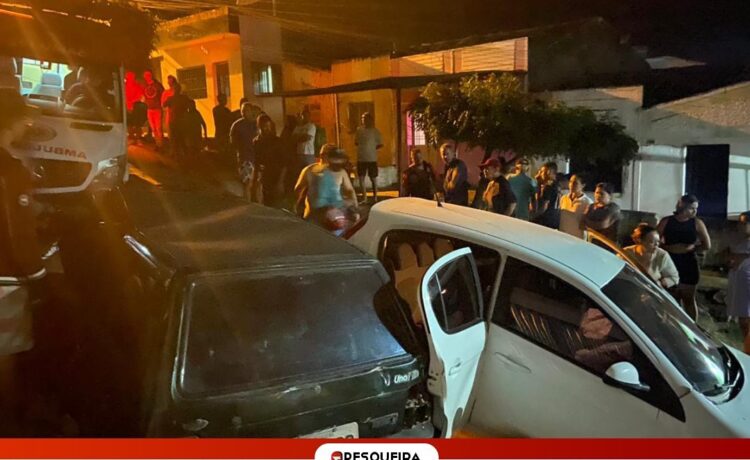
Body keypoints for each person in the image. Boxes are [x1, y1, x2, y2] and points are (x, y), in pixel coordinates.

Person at [0, 90, 44, 429]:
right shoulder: (11, 171)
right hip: (5, 280)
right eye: (22, 120)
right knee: (5, 357)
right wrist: (37, 272)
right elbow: (19, 234)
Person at [657, 194, 712, 321]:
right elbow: (655, 240)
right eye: (692, 208)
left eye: (696, 208)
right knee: (671, 298)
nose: (695, 211)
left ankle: (693, 326)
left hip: (688, 263)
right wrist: (668, 248)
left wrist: (691, 248)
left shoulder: (697, 223)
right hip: (670, 262)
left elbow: (707, 245)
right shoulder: (667, 221)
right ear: (683, 207)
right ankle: (672, 324)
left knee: (688, 298)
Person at [295, 144, 358, 233]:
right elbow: (298, 190)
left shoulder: (339, 172)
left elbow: (350, 191)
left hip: (332, 219)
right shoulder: (309, 170)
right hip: (315, 217)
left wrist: (354, 209)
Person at [623, 224, 680, 290]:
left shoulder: (662, 255)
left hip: (649, 291)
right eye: (652, 242)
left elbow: (674, 277)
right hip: (626, 287)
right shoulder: (626, 252)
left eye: (658, 242)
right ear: (640, 240)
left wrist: (659, 284)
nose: (656, 245)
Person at [725, 211, 750, 351]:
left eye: (744, 223)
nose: (741, 226)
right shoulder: (743, 241)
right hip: (739, 282)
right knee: (743, 318)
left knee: (746, 318)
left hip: (747, 284)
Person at [253, 114, 287, 207]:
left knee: (277, 205)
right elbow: (256, 162)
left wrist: (281, 182)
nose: (267, 129)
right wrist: (255, 180)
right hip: (264, 177)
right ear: (259, 126)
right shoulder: (256, 142)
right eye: (265, 126)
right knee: (266, 204)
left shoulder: (277, 141)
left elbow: (284, 163)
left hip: (276, 175)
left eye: (269, 126)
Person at [230, 102, 260, 200]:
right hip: (245, 159)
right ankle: (249, 203)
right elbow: (233, 142)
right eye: (242, 111)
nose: (244, 113)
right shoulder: (237, 125)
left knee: (258, 184)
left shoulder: (257, 123)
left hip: (258, 158)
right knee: (247, 183)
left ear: (251, 111)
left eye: (246, 110)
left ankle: (259, 204)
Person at [355, 112, 383, 203]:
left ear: (370, 120)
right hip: (361, 158)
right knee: (361, 178)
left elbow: (380, 144)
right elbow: (356, 142)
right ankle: (365, 198)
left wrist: (371, 148)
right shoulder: (359, 130)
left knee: (373, 178)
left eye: (365, 118)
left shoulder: (375, 131)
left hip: (372, 158)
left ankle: (375, 197)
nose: (364, 120)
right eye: (363, 118)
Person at [559, 174, 593, 239]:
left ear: (583, 185)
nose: (571, 185)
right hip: (563, 236)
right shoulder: (564, 198)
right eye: (570, 182)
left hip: (577, 238)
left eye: (575, 183)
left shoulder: (587, 202)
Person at [531, 162, 560, 228]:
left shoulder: (548, 187)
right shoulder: (556, 185)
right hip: (553, 218)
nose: (541, 174)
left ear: (549, 172)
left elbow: (544, 207)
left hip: (545, 220)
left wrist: (533, 217)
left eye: (543, 171)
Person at [142, 71, 164, 148]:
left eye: (148, 75)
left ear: (151, 75)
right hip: (149, 109)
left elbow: (163, 95)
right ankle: (157, 144)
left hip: (157, 108)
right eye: (145, 75)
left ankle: (161, 144)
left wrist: (162, 104)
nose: (147, 77)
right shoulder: (144, 86)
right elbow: (143, 96)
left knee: (158, 127)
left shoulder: (157, 85)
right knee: (153, 128)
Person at [124, 71, 145, 141]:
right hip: (127, 107)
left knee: (137, 123)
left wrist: (132, 102)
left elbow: (139, 96)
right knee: (129, 123)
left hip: (136, 107)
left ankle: (138, 137)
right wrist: (128, 103)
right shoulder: (124, 86)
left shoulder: (137, 86)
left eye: (131, 77)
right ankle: (131, 136)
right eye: (128, 77)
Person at [161, 75, 180, 141]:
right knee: (171, 132)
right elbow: (163, 104)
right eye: (169, 82)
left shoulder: (179, 93)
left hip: (179, 116)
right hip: (170, 115)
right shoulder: (166, 93)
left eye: (172, 82)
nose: (170, 83)